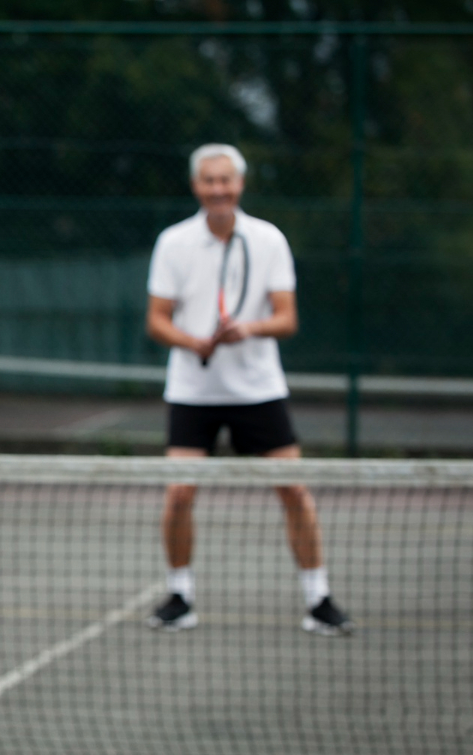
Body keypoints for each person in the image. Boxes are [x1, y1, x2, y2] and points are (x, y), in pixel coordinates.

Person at [142, 143, 352, 636]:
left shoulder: (269, 240)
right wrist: (193, 341)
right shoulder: (173, 243)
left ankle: (318, 597)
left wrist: (249, 330)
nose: (218, 189)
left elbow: (287, 317)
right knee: (178, 495)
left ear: (240, 184)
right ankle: (180, 595)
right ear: (197, 186)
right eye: (209, 181)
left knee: (295, 492)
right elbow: (156, 321)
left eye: (226, 180)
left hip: (258, 389)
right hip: (193, 390)